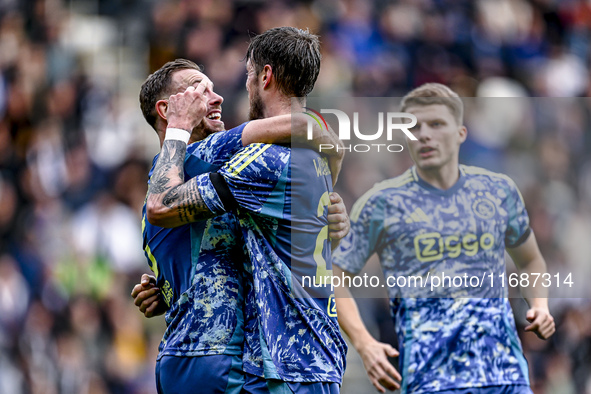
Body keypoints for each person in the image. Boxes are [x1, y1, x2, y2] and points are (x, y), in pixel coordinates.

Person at [144, 27, 348, 393]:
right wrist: (169, 284)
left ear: (265, 76)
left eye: (249, 76)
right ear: (167, 108)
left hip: (281, 366)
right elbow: (168, 212)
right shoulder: (304, 159)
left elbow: (163, 204)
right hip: (288, 360)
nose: (222, 95)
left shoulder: (256, 162)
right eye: (199, 90)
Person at [332, 83, 555, 394]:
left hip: (505, 377)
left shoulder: (498, 191)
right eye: (413, 127)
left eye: (436, 124)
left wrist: (540, 306)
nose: (424, 134)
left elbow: (530, 260)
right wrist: (364, 343)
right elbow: (334, 277)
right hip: (431, 382)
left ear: (461, 133)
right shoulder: (381, 203)